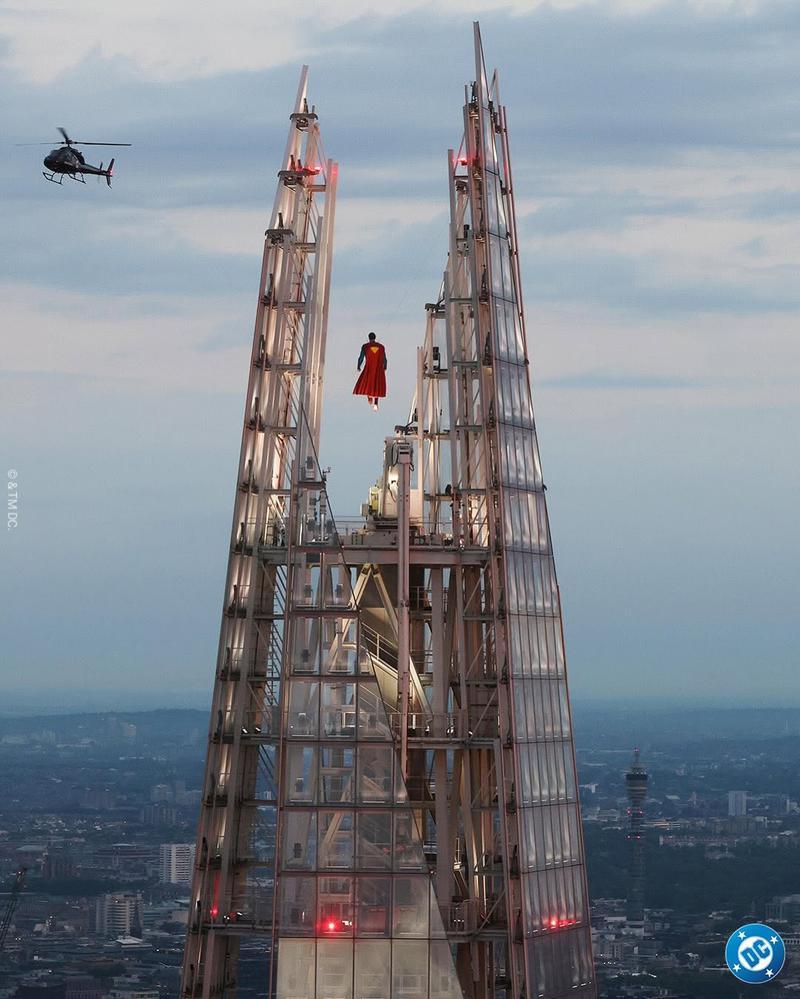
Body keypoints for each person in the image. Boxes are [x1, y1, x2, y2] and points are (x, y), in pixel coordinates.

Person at [352, 332, 387, 410]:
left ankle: (369, 397)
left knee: (368, 382)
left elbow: (361, 357)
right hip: (379, 368)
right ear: (375, 337)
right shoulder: (381, 347)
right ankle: (376, 403)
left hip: (369, 367)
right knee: (377, 384)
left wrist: (358, 366)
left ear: (369, 338)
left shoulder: (365, 346)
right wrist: (385, 366)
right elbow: (384, 358)